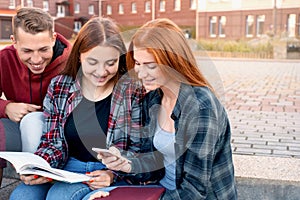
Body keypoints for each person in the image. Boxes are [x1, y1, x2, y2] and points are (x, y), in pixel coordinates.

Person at [10, 16, 162, 200]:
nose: (101, 71)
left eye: (110, 63)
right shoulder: (60, 86)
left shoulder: (132, 90)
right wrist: (39, 168)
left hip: (107, 173)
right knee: (22, 195)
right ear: (79, 56)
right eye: (92, 62)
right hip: (64, 167)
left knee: (59, 197)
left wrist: (113, 174)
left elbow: (140, 151)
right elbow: (53, 142)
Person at [96, 18, 238, 199]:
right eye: (138, 63)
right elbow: (156, 162)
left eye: (151, 65)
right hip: (160, 190)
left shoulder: (201, 107)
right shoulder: (153, 98)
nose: (140, 73)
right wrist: (126, 164)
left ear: (173, 62)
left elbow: (194, 190)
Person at [0, 7, 71, 185]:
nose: (37, 59)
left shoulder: (72, 62)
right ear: (14, 42)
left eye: (43, 49)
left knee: (32, 121)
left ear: (54, 38)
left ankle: (35, 178)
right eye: (27, 51)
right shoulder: (4, 59)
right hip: (18, 129)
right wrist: (6, 107)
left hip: (61, 134)